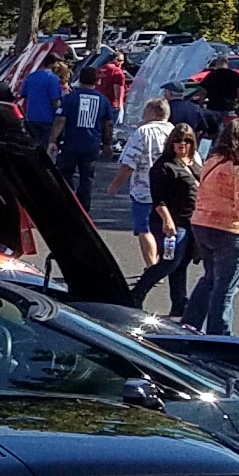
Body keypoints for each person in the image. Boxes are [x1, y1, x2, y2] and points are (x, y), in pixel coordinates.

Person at [188, 118, 239, 336]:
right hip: (230, 229)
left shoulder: (213, 161)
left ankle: (190, 323)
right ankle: (219, 336)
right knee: (226, 288)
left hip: (202, 224)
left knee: (209, 278)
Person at [131, 123, 202, 320]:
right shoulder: (163, 167)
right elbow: (158, 199)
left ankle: (179, 303)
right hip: (171, 224)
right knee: (169, 262)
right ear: (171, 143)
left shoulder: (192, 164)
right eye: (178, 140)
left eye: (187, 140)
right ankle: (136, 294)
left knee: (181, 265)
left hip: (190, 223)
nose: (182, 144)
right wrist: (167, 220)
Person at [110, 99, 174, 269]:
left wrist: (115, 184)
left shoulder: (144, 132)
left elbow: (129, 163)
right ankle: (165, 264)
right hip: (170, 191)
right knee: (165, 229)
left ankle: (152, 267)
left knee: (144, 229)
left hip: (144, 189)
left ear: (153, 112)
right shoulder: (175, 132)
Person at [54, 67, 115, 206]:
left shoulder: (70, 98)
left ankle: (68, 202)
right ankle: (83, 205)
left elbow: (60, 120)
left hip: (70, 144)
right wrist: (107, 144)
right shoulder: (103, 100)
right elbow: (109, 124)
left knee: (65, 173)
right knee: (87, 178)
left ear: (80, 79)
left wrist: (53, 140)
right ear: (96, 80)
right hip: (92, 145)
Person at [19, 58, 65, 149]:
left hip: (31, 117)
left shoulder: (31, 76)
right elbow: (55, 100)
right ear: (52, 64)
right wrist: (60, 115)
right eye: (58, 63)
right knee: (46, 147)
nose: (59, 66)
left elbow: (23, 94)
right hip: (47, 119)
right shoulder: (53, 78)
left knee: (33, 146)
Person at [94, 50, 131, 125]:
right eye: (120, 60)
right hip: (112, 104)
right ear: (115, 60)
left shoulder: (99, 70)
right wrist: (120, 105)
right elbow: (118, 88)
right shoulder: (117, 71)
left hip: (99, 103)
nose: (122, 63)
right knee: (113, 128)